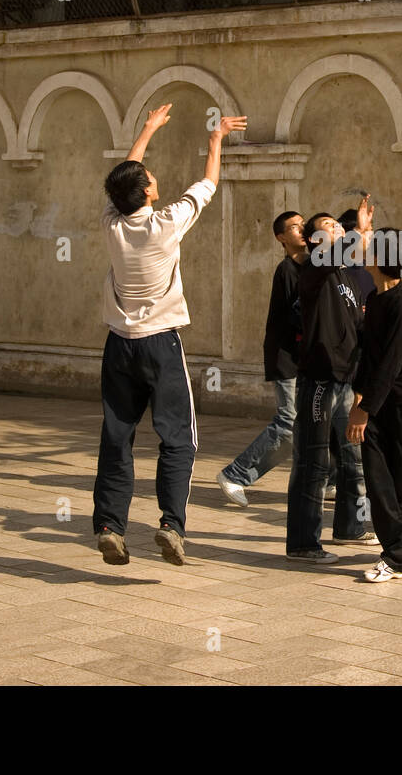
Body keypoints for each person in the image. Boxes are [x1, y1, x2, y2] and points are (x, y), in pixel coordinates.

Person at [93, 103, 246, 567]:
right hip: (161, 344)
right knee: (178, 438)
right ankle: (171, 525)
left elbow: (126, 175)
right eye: (150, 178)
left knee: (117, 437)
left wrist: (146, 130)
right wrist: (216, 139)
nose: (155, 177)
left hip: (119, 344)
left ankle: (110, 526)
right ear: (147, 192)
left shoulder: (112, 224)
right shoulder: (166, 224)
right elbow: (209, 183)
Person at [285, 202, 377, 564]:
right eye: (329, 227)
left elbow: (357, 330)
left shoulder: (347, 279)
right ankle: (303, 543)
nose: (338, 230)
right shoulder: (313, 269)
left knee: (352, 459)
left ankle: (351, 527)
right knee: (313, 461)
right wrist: (361, 230)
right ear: (312, 240)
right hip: (320, 381)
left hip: (345, 381)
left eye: (340, 226)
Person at [347, 227, 402, 583]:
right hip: (376, 404)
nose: (365, 253)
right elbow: (369, 358)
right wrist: (358, 394)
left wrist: (364, 409)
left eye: (371, 248)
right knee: (378, 479)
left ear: (382, 258)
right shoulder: (375, 300)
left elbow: (393, 363)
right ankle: (397, 548)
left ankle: (400, 550)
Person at [216, 210, 308, 507]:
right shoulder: (287, 270)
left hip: (305, 359)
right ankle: (236, 474)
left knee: (321, 419)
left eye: (304, 224)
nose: (302, 229)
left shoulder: (311, 266)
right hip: (286, 358)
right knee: (289, 422)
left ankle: (330, 479)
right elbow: (298, 316)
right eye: (295, 227)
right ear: (281, 237)